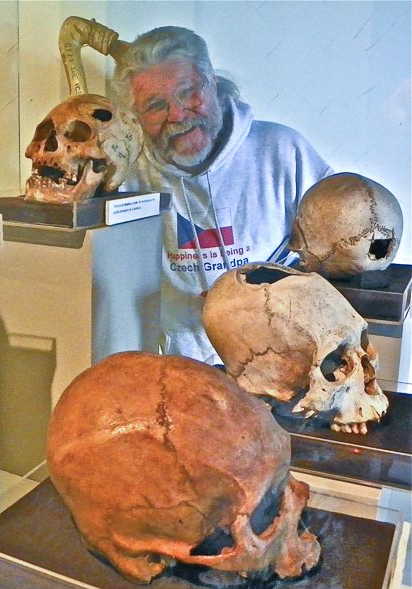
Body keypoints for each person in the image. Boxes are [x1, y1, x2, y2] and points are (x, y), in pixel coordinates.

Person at [110, 26, 333, 364]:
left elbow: (339, 249)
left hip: (283, 356)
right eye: (155, 106)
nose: (177, 115)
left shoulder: (284, 151)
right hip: (178, 364)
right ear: (136, 117)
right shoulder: (126, 172)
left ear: (212, 82)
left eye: (189, 92)